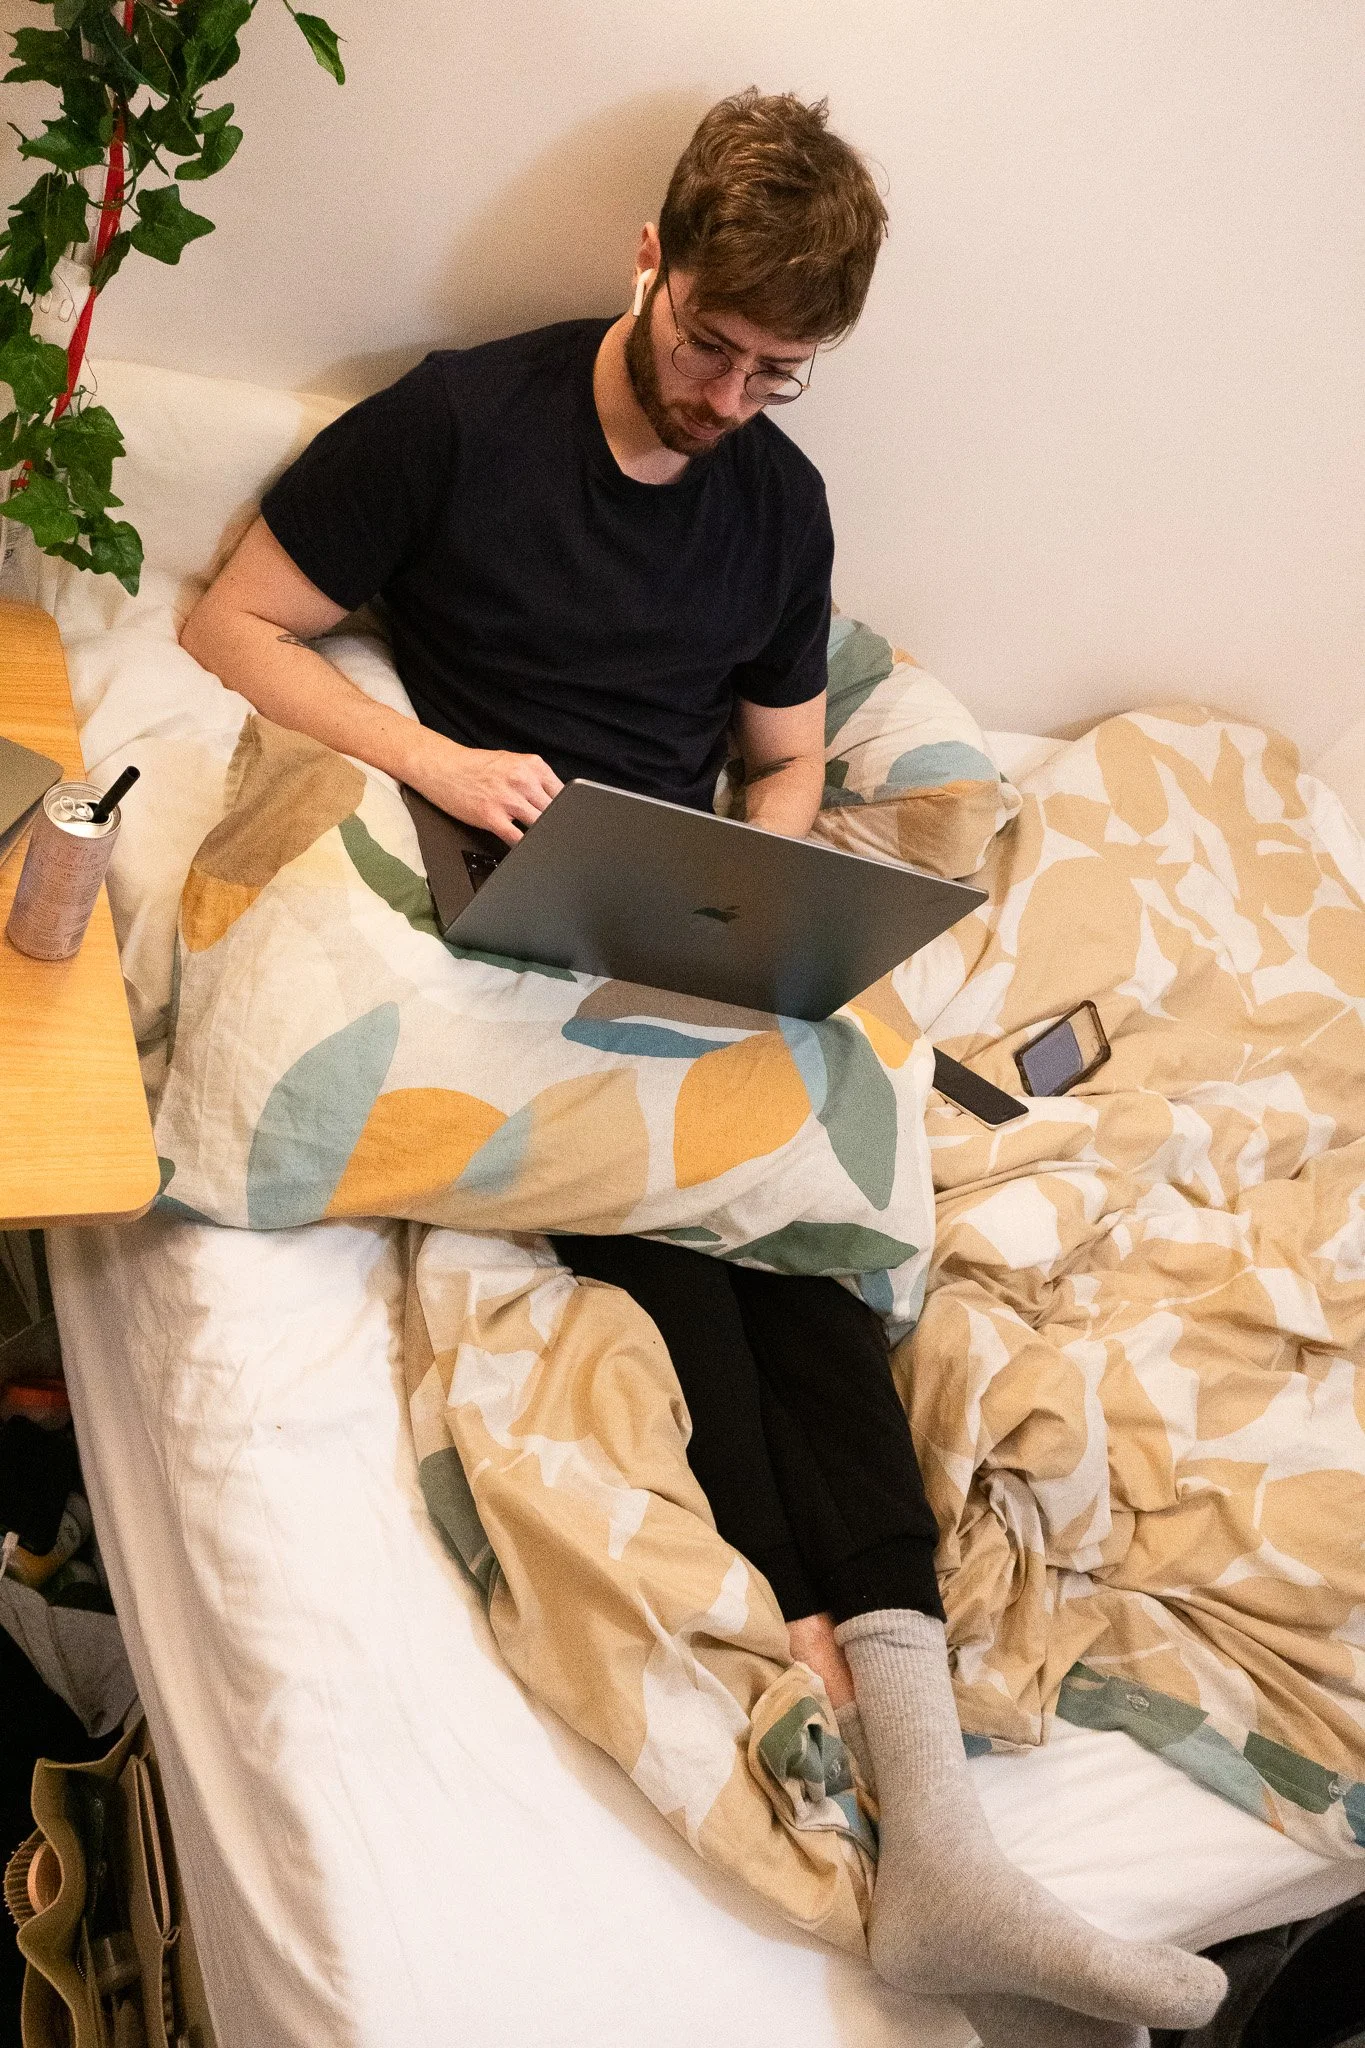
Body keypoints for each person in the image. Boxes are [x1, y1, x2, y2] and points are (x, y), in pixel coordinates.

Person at [180, 88, 1224, 2045]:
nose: (731, 396)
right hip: (508, 907)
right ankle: (862, 1727)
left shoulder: (776, 504)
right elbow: (236, 622)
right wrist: (441, 762)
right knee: (682, 1257)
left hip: (676, 916)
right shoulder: (458, 425)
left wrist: (773, 882)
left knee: (805, 1270)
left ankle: (929, 1814)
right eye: (710, 346)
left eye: (777, 374)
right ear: (647, 259)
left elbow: (786, 749)